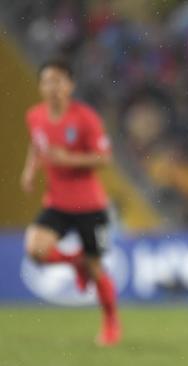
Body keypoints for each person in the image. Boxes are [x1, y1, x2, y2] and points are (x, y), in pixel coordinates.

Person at [21, 58, 120, 346]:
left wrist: (70, 159)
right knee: (35, 250)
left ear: (70, 85)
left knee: (97, 269)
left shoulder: (85, 118)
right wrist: (29, 170)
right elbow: (36, 143)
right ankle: (76, 262)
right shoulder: (34, 116)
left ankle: (111, 323)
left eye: (59, 81)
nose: (53, 87)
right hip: (57, 204)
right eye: (47, 81)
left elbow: (105, 158)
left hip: (91, 206)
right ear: (40, 86)